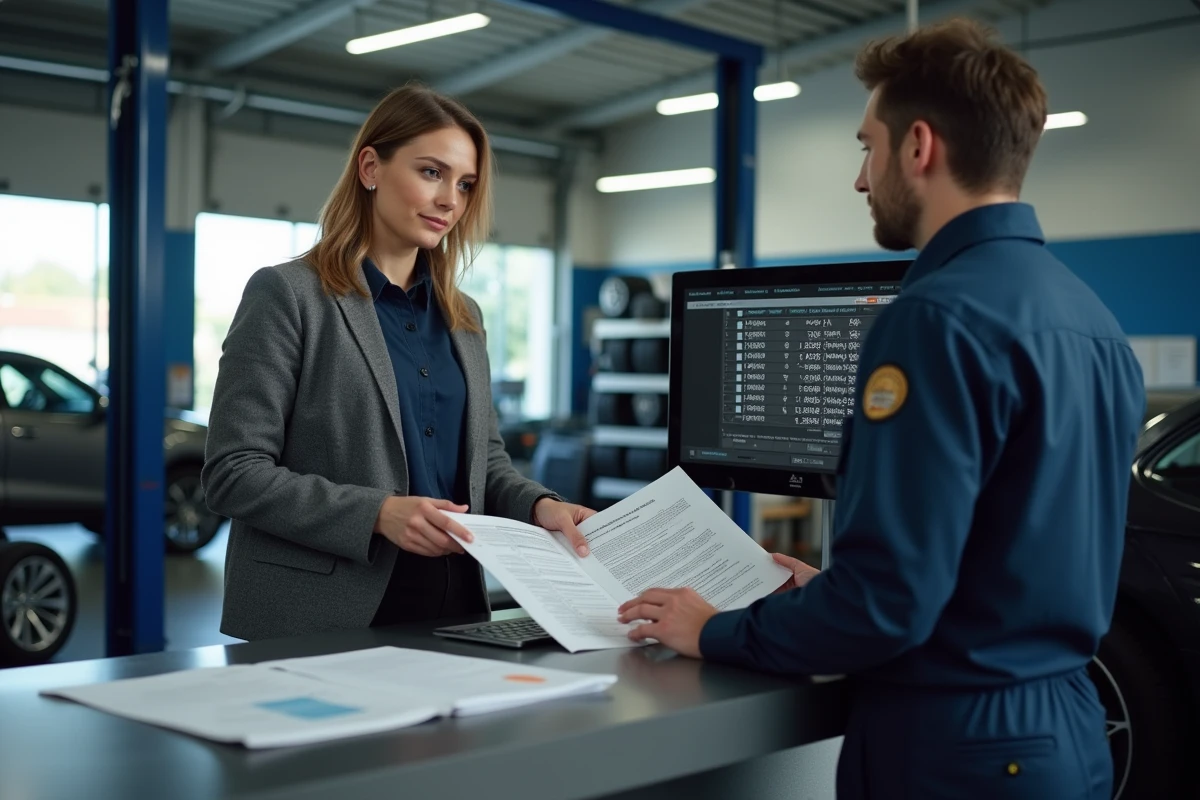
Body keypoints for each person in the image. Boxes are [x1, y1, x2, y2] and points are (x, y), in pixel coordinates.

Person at [616, 19, 1145, 799]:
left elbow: (886, 607)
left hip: (955, 743)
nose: (862, 179)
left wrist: (715, 627)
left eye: (868, 146)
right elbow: (1003, 549)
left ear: (919, 147)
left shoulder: (930, 318)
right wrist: (828, 590)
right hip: (1064, 726)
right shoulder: (1093, 319)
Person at [203, 85, 594, 641]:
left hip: (456, 608)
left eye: (464, 185)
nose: (450, 201)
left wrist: (539, 505)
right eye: (432, 172)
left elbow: (484, 463)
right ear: (370, 167)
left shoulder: (465, 318)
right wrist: (377, 513)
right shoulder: (288, 295)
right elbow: (233, 473)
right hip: (320, 616)